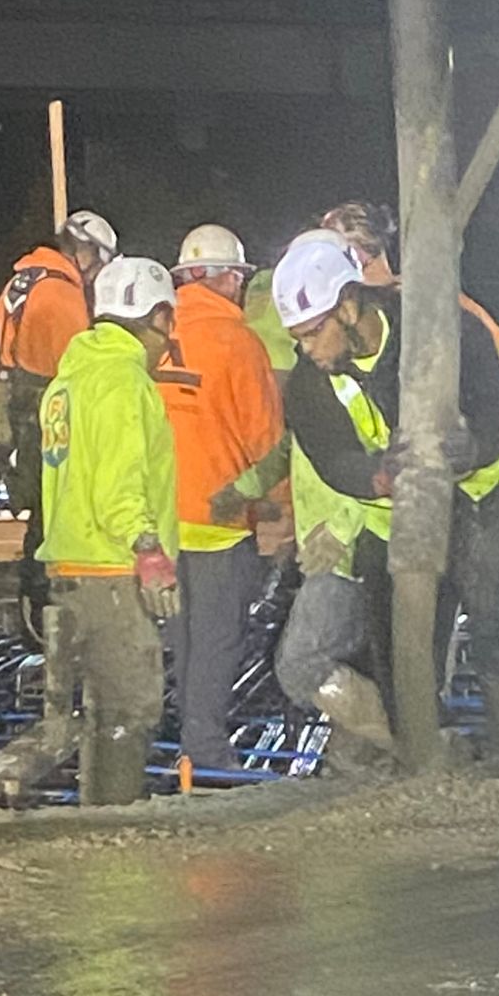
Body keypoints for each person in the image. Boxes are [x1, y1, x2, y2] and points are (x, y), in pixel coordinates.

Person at [261, 231, 499, 772]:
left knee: (496, 618)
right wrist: (377, 475)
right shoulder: (310, 386)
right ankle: (431, 756)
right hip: (392, 517)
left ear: (348, 306)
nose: (307, 350)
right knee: (399, 650)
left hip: (481, 497)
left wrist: (476, 444)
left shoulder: (440, 328)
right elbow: (335, 459)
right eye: (297, 338)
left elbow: (496, 407)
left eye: (313, 334)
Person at [37, 257, 180, 807]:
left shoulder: (68, 380)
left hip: (72, 569)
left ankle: (95, 823)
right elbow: (120, 483)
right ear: (160, 317)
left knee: (103, 710)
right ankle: (115, 835)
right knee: (131, 707)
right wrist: (148, 549)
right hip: (112, 569)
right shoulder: (123, 381)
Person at [162, 225, 285, 773]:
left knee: (185, 642)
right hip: (220, 516)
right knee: (216, 641)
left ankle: (190, 741)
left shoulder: (153, 335)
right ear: (228, 279)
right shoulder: (239, 343)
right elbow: (266, 440)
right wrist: (282, 513)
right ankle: (207, 754)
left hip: (160, 522)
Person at [0, 208, 118, 633]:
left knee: (38, 506)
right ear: (84, 253)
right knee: (53, 510)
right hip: (48, 405)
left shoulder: (23, 280)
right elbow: (81, 361)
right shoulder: (62, 295)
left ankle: (37, 605)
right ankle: (45, 609)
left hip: (20, 398)